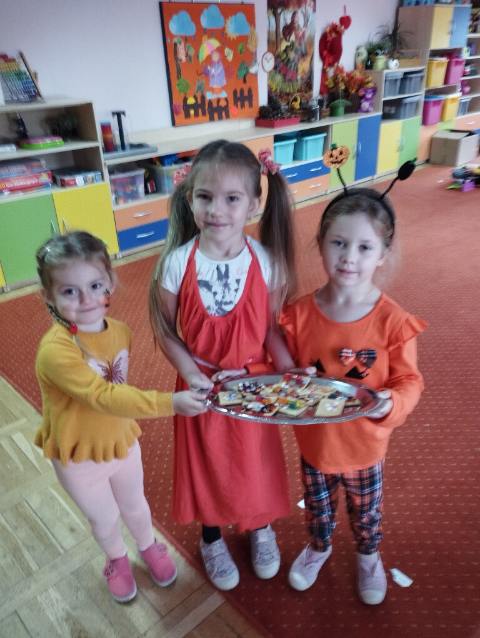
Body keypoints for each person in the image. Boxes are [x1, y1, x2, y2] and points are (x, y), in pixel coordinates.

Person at [149, 139, 296, 591]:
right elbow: (166, 332)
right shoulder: (176, 264)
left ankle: (259, 525)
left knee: (253, 461)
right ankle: (211, 536)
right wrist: (192, 373)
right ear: (189, 198)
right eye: (205, 197)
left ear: (253, 203)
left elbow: (270, 329)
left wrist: (291, 371)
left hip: (254, 383)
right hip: (201, 386)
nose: (216, 210)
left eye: (232, 198)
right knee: (207, 464)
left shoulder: (266, 262)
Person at [34, 231, 207, 603]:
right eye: (69, 291)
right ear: (48, 296)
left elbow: (117, 391)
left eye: (95, 286)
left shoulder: (122, 332)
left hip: (122, 442)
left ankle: (148, 546)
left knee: (135, 504)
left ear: (110, 282)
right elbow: (103, 395)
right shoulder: (55, 352)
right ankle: (116, 559)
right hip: (79, 457)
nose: (86, 300)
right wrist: (169, 403)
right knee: (104, 519)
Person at [277, 186, 426, 605]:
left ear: (382, 254)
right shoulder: (299, 314)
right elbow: (281, 368)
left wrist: (391, 404)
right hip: (315, 443)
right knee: (318, 506)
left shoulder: (393, 321)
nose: (349, 257)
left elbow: (409, 380)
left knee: (366, 512)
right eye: (338, 243)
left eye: (364, 247)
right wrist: (286, 376)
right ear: (321, 243)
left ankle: (367, 555)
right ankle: (319, 546)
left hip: (365, 445)